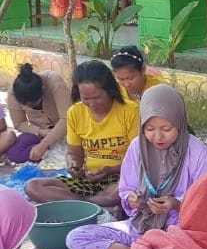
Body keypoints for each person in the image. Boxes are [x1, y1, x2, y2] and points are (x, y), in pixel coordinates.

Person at [66, 85, 207, 249]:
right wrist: (132, 199)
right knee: (77, 237)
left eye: (166, 129)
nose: (158, 137)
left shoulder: (197, 152)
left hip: (179, 232)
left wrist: (176, 204)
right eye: (149, 129)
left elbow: (205, 203)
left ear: (180, 122)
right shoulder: (137, 147)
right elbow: (127, 189)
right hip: (140, 226)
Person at [25, 61, 139, 208]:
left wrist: (109, 170)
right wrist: (74, 165)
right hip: (88, 178)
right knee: (33, 187)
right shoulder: (75, 112)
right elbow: (75, 153)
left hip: (121, 176)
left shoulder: (130, 111)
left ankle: (79, 203)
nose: (91, 104)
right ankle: (90, 203)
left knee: (120, 192)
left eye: (97, 97)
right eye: (86, 99)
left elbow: (138, 159)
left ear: (110, 90)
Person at [6, 63, 74, 163]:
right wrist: (40, 132)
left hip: (66, 131)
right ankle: (50, 152)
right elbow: (19, 123)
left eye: (34, 104)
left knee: (82, 146)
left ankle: (50, 151)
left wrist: (44, 144)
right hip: (39, 132)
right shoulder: (13, 93)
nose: (31, 107)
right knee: (14, 153)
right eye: (26, 105)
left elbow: (67, 119)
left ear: (42, 90)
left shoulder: (54, 81)